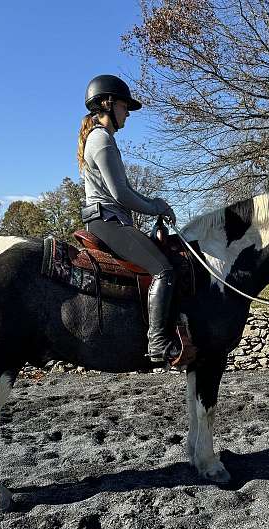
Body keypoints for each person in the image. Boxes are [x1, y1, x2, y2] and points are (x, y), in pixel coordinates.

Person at [77, 74, 179, 363]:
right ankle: (158, 342)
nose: (127, 114)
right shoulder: (101, 139)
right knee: (164, 270)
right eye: (125, 107)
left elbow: (127, 191)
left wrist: (154, 204)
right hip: (107, 221)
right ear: (108, 104)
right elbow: (121, 194)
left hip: (109, 219)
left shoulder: (100, 138)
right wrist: (156, 206)